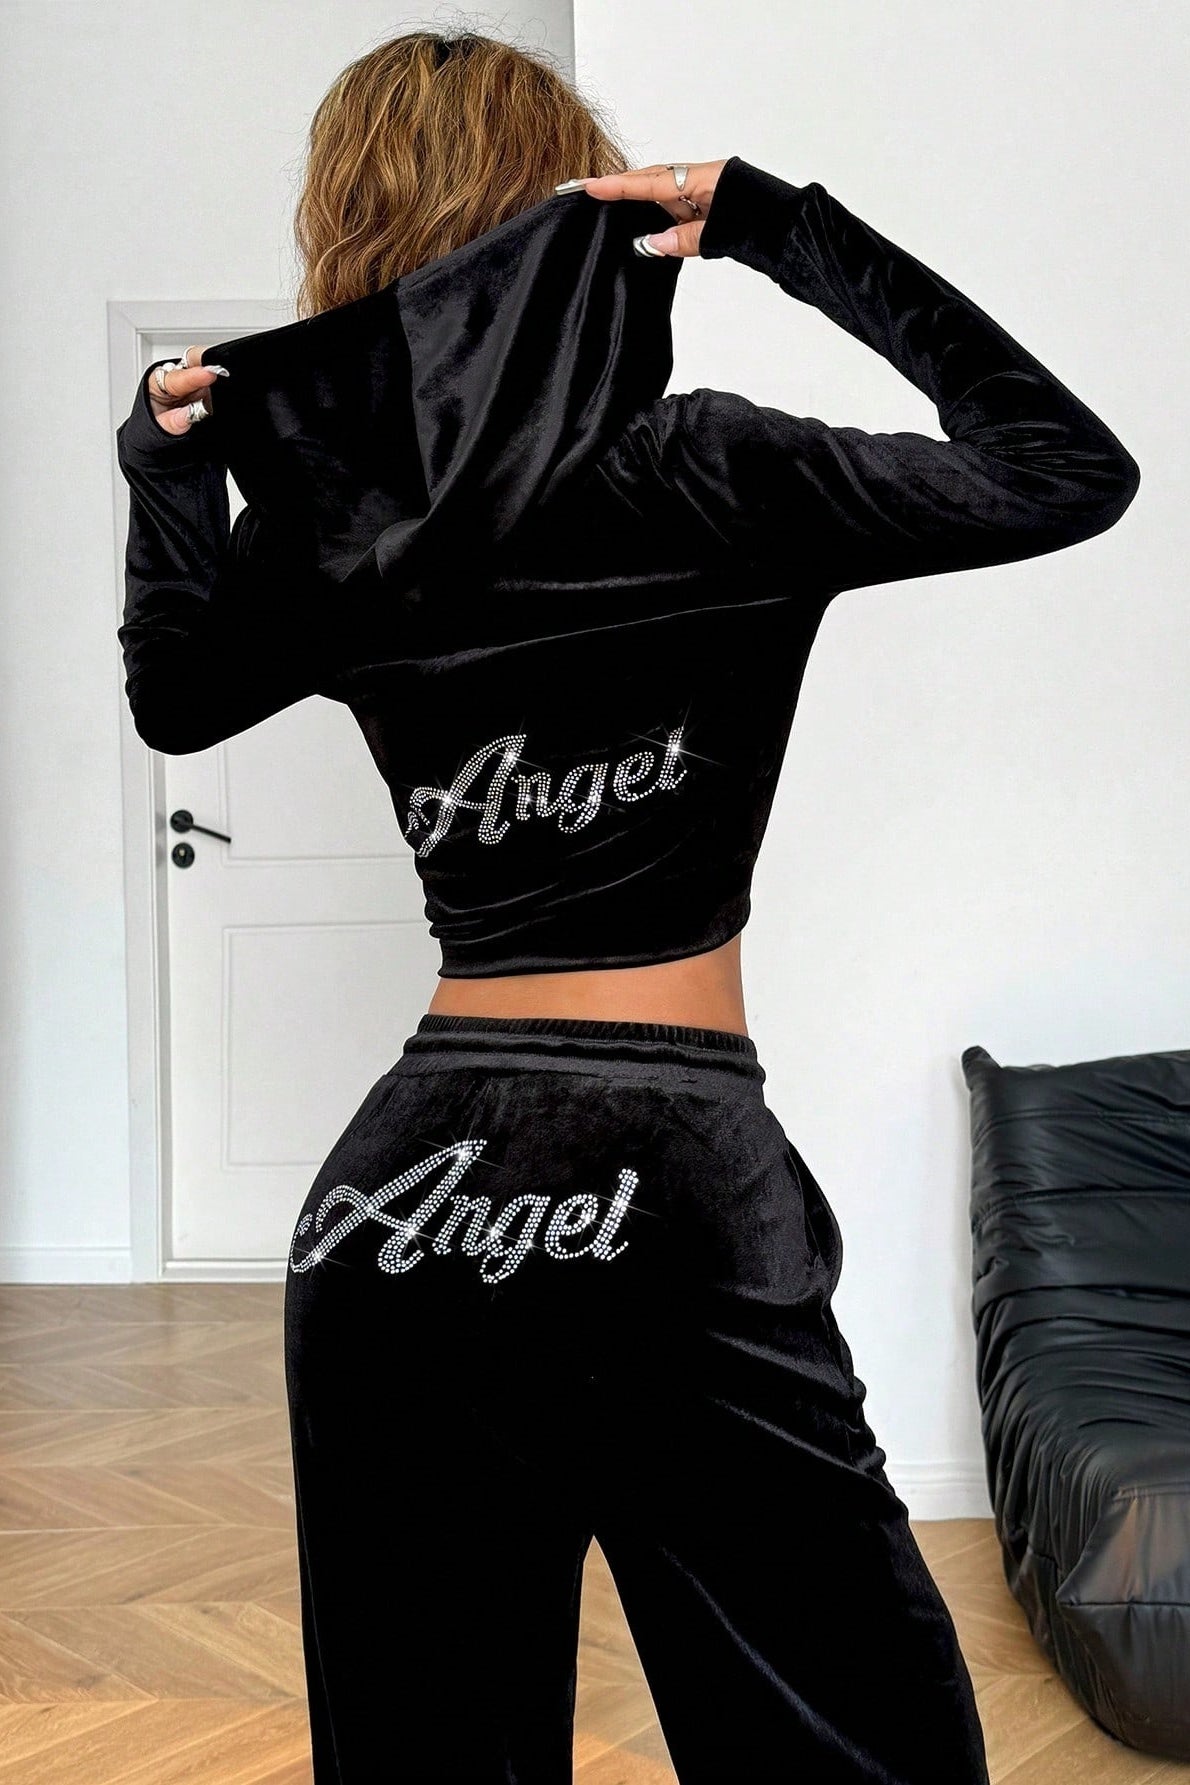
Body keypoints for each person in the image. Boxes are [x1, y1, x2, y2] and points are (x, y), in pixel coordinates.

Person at [113, 29, 1139, 1784]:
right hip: (672, 1178)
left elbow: (173, 696)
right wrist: (780, 228)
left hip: (402, 1207)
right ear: (561, 210)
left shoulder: (339, 540)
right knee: (857, 1745)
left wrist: (163, 479)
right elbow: (1061, 465)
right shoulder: (710, 470)